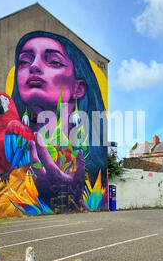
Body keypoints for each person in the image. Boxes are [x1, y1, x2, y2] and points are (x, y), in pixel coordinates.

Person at [11, 31, 107, 210]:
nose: (34, 66)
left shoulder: (90, 164)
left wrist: (69, 201)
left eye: (54, 61)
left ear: (78, 88)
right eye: (24, 61)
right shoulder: (8, 154)